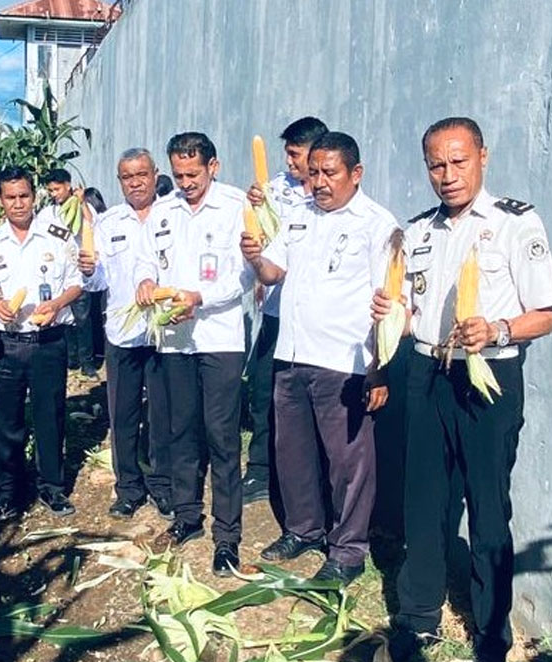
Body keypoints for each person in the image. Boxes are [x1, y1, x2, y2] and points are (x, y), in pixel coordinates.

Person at [373, 117, 552, 662]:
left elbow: (547, 315)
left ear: (482, 157)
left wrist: (500, 329)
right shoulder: (418, 232)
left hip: (489, 380)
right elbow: (408, 312)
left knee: (487, 512)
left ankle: (490, 639)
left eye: (459, 162)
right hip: (428, 374)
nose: (448, 175)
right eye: (437, 164)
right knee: (424, 504)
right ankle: (419, 617)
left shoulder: (514, 222)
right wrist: (390, 317)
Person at [241, 132, 396, 584]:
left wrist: (378, 367)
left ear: (356, 174)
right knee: (293, 454)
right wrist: (254, 257)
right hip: (291, 356)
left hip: (343, 363)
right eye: (314, 173)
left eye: (330, 173)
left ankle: (347, 551)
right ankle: (304, 529)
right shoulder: (298, 216)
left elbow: (387, 302)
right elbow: (274, 272)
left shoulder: (377, 224)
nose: (320, 183)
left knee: (349, 463)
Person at [136, 132, 251, 578]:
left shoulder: (236, 207)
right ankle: (187, 517)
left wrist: (199, 297)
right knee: (180, 431)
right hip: (176, 341)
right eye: (179, 174)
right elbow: (148, 260)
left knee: (221, 438)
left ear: (213, 167)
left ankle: (228, 537)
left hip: (219, 339)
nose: (185, 182)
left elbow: (243, 277)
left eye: (193, 174)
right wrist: (146, 283)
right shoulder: (163, 211)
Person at [0, 165, 84, 520]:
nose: (18, 204)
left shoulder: (58, 236)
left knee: (50, 416)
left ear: (34, 196)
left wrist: (58, 303)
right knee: (7, 421)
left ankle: (52, 487)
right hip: (7, 344)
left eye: (24, 196)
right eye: (10, 198)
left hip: (48, 341)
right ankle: (9, 493)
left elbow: (77, 282)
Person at [79, 150, 174, 519]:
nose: (135, 183)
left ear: (155, 175)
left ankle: (162, 484)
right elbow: (99, 280)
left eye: (141, 175)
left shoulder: (172, 216)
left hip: (164, 332)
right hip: (122, 333)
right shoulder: (107, 223)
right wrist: (89, 271)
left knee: (163, 415)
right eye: (126, 177)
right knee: (123, 414)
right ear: (119, 181)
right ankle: (128, 488)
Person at [242, 116, 329, 507]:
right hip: (276, 311)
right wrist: (258, 211)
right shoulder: (272, 188)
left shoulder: (331, 191)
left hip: (315, 317)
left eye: (295, 154)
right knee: (264, 390)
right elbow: (262, 240)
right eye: (288, 154)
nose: (289, 162)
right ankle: (260, 469)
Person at [37, 168, 98, 378]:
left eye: (57, 189)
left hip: (79, 270)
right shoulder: (46, 214)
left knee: (82, 318)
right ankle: (71, 359)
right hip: (56, 272)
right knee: (64, 317)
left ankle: (87, 363)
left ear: (68, 185)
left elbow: (92, 224)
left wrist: (81, 203)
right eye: (50, 190)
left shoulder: (83, 207)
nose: (54, 194)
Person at [80, 187, 109, 364]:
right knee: (98, 316)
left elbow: (88, 220)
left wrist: (82, 203)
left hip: (95, 270)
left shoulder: (94, 218)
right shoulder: (104, 217)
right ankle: (100, 351)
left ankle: (97, 352)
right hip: (95, 272)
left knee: (92, 317)